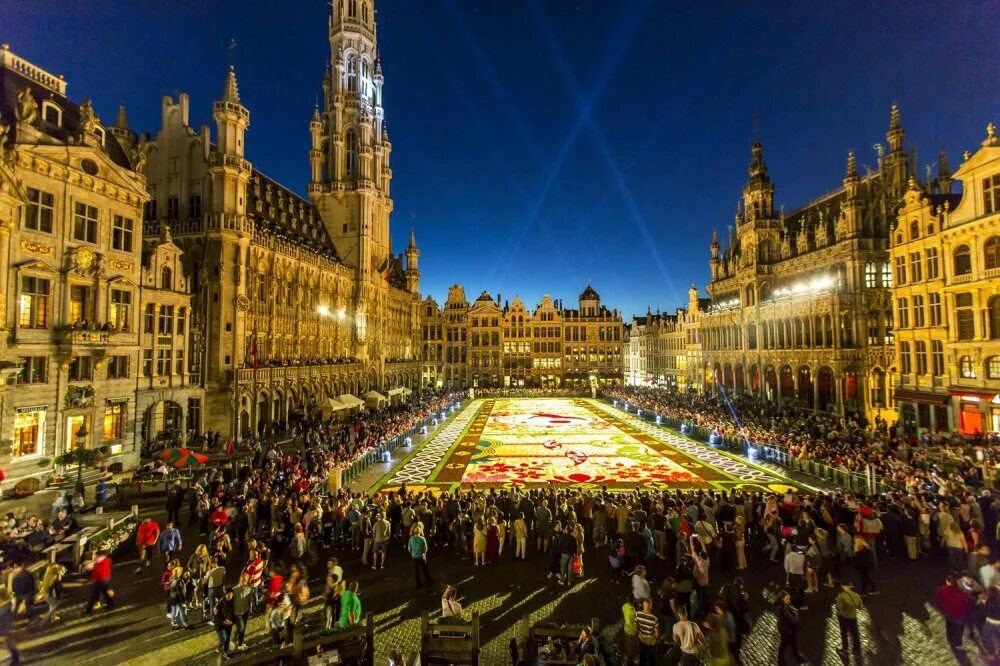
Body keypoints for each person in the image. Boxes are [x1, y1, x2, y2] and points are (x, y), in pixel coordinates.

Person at [937, 573, 974, 650]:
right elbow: (967, 602)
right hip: (960, 615)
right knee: (959, 630)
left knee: (949, 626)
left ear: (947, 582)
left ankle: (949, 639)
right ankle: (958, 643)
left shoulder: (941, 590)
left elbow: (939, 599)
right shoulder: (960, 592)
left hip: (949, 613)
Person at [834, 580, 863, 654]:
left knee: (844, 634)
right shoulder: (857, 596)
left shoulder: (841, 595)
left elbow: (838, 607)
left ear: (843, 586)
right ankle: (857, 649)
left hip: (844, 617)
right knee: (855, 634)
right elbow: (860, 607)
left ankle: (845, 649)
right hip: (853, 617)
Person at [776, 589, 801, 666]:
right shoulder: (783, 608)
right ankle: (781, 662)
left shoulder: (783, 605)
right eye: (787, 599)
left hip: (787, 628)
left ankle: (796, 654)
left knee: (793, 641)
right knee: (783, 645)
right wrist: (796, 614)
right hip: (786, 629)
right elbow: (793, 619)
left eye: (789, 598)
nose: (789, 600)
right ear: (782, 599)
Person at [85, 549, 114, 614]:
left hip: (100, 580)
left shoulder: (98, 561)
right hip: (106, 579)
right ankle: (110, 603)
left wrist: (89, 565)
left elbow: (92, 568)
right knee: (105, 592)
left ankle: (88, 610)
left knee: (94, 595)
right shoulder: (108, 560)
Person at [635, 597, 662, 666]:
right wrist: (656, 638)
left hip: (642, 640)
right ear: (651, 606)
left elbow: (636, 627)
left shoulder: (637, 614)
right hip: (651, 642)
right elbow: (658, 634)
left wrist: (639, 634)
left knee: (642, 659)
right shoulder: (654, 619)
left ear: (643, 606)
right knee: (652, 660)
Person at [233, 574, 254, 651]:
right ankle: (235, 642)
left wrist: (253, 605)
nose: (247, 582)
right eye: (245, 580)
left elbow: (251, 598)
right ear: (241, 580)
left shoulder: (249, 588)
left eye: (247, 580)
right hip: (237, 613)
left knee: (242, 628)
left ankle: (240, 642)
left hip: (246, 610)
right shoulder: (234, 590)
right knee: (241, 627)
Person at [214, 586, 236, 658]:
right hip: (220, 624)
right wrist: (224, 621)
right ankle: (220, 646)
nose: (230, 596)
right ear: (225, 594)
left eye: (231, 595)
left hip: (229, 624)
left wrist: (232, 621)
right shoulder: (221, 602)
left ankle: (225, 652)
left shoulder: (234, 602)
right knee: (224, 638)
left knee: (227, 639)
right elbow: (217, 615)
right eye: (228, 594)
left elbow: (234, 614)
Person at [409, 523, 433, 589]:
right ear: (420, 531)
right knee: (425, 569)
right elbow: (426, 548)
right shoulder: (423, 539)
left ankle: (418, 583)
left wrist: (412, 553)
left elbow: (409, 548)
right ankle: (428, 580)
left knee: (416, 571)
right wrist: (424, 554)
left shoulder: (411, 539)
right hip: (421, 556)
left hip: (414, 557)